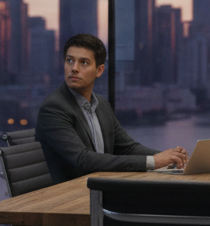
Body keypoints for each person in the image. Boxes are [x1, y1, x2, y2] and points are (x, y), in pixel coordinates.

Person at [35, 34, 188, 184]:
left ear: (99, 70)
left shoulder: (101, 104)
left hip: (101, 189)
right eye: (70, 61)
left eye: (84, 63)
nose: (74, 68)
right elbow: (83, 160)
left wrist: (170, 157)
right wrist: (153, 161)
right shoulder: (54, 108)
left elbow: (127, 148)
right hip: (69, 197)